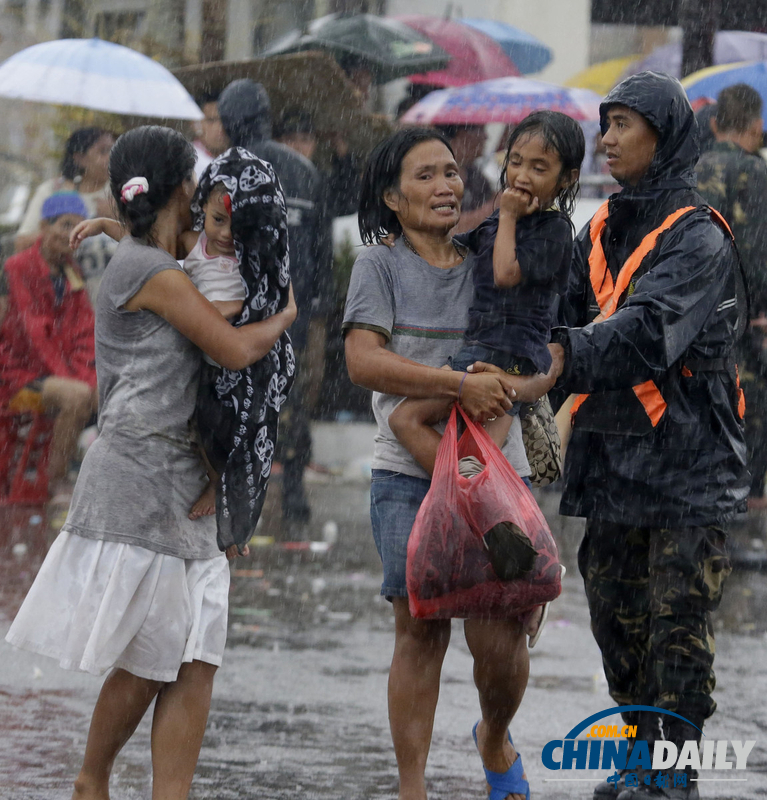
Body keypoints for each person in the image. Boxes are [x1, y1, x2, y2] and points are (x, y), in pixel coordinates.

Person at [4, 125, 297, 800]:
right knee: (151, 658)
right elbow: (228, 346)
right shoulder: (152, 271)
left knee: (196, 657)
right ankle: (91, 779)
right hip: (141, 477)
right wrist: (284, 316)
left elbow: (190, 239)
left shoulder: (161, 255)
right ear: (184, 189)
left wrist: (115, 220)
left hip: (188, 478)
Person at [343, 126, 561, 800]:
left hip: (499, 470)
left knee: (500, 641)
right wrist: (455, 383)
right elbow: (362, 361)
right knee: (420, 630)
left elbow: (546, 347)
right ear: (391, 196)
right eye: (424, 176)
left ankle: (493, 738)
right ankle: (413, 788)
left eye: (449, 172)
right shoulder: (377, 265)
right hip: (407, 476)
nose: (445, 186)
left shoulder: (489, 257)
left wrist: (519, 386)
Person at [548, 72, 748, 800]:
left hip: (686, 465)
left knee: (674, 626)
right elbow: (556, 307)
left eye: (622, 123)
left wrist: (561, 355)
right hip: (610, 460)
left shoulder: (698, 235)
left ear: (662, 135)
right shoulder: (598, 227)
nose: (606, 138)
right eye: (604, 123)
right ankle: (638, 754)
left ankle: (673, 772)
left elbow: (645, 334)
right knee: (615, 620)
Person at [71, 147, 296, 551]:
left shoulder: (249, 256)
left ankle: (230, 504)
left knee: (237, 431)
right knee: (207, 430)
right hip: (211, 364)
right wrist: (105, 224)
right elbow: (143, 242)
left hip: (234, 370)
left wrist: (268, 312)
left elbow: (262, 302)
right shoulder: (183, 250)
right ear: (188, 196)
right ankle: (220, 492)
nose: (226, 234)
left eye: (237, 224)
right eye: (218, 220)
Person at [389, 111, 584, 477]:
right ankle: (474, 487)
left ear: (567, 179)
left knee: (405, 418)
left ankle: (462, 484)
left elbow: (505, 273)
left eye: (539, 169)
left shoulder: (554, 230)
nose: (522, 175)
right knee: (480, 453)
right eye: (515, 162)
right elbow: (456, 248)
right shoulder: (498, 221)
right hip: (489, 346)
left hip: (505, 350)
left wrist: (507, 213)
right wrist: (404, 242)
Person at [218, 79, 333, 533]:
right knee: (291, 407)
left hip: (236, 320)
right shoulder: (304, 172)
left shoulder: (222, 173)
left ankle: (238, 499)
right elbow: (323, 257)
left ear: (229, 123)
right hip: (294, 317)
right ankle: (294, 498)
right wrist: (318, 316)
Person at [696, 84, 767, 509]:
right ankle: (745, 516)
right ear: (757, 126)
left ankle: (709, 510)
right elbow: (759, 254)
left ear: (718, 123)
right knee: (752, 416)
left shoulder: (694, 169)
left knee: (710, 415)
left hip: (699, 321)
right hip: (747, 324)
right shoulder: (757, 173)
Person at [0, 191, 96, 502]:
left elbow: (85, 331)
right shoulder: (17, 268)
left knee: (103, 391)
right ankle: (51, 483)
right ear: (44, 225)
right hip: (16, 376)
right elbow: (34, 334)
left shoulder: (72, 272)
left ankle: (60, 475)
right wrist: (75, 381)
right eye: (65, 225)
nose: (71, 236)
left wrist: (86, 377)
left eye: (78, 228)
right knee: (78, 395)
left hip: (55, 374)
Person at [439, 124, 496, 234]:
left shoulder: (474, 172)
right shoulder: (438, 176)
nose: (485, 136)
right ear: (460, 135)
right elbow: (450, 229)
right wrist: (495, 206)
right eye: (480, 129)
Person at [192, 92, 230, 179]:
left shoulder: (239, 159)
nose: (220, 127)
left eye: (225, 120)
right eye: (211, 120)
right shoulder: (187, 163)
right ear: (195, 124)